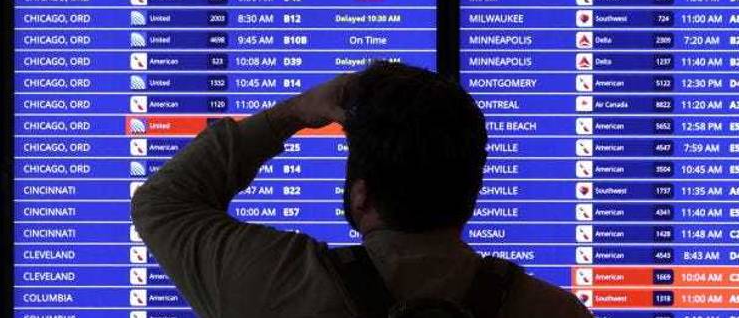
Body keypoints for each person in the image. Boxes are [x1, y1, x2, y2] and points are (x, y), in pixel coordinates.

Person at [131, 61, 592, 317]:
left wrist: (290, 114)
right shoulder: (555, 313)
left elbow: (163, 203)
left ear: (361, 194)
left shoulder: (276, 285)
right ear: (472, 191)